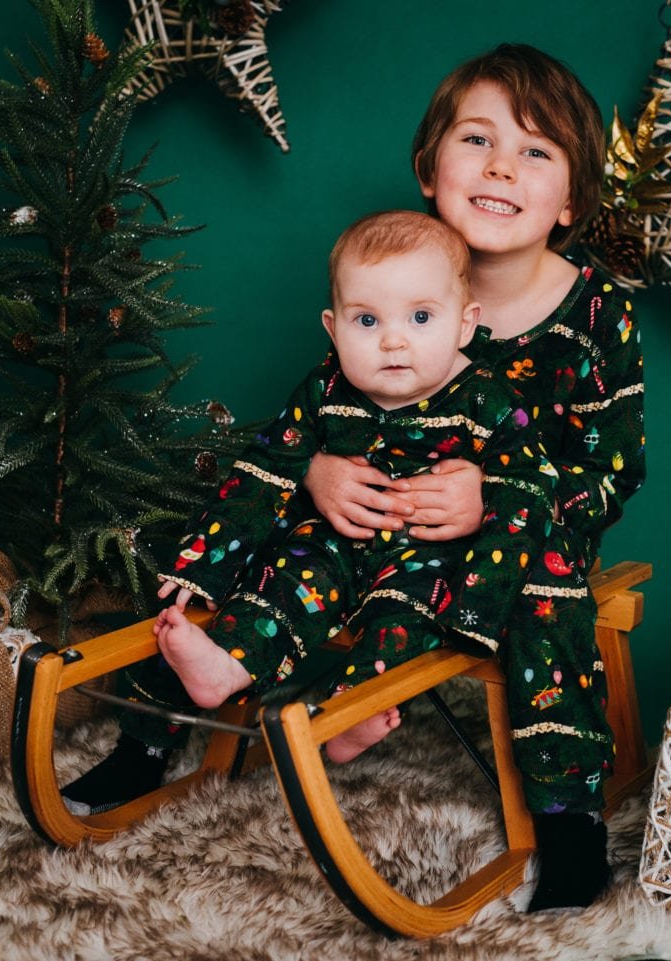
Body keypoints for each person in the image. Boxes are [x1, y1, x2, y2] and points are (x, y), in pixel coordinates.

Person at [302, 45, 645, 911]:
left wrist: (494, 499)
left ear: (570, 201)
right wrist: (319, 470)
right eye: (478, 139)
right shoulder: (395, 283)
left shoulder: (599, 316)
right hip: (392, 525)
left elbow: (614, 470)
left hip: (527, 538)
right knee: (274, 523)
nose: (500, 166)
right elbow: (332, 407)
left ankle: (568, 823)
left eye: (536, 150)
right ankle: (160, 729)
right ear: (429, 169)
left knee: (544, 586)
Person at [151, 209, 556, 763]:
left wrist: (481, 597)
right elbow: (265, 468)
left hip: (429, 555)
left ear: (465, 324)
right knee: (288, 576)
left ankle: (352, 708)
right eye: (367, 320)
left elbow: (527, 489)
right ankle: (226, 665)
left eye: (420, 317)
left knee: (408, 612)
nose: (393, 341)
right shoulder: (326, 390)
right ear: (333, 328)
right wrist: (201, 562)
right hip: (336, 540)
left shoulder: (487, 399)